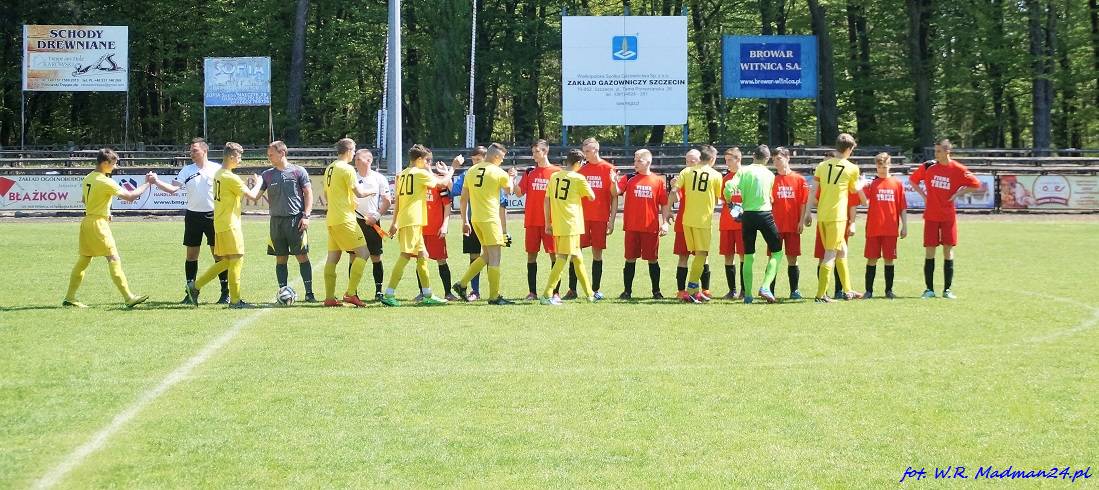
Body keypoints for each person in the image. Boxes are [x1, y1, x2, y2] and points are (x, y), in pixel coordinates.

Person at [64, 148, 151, 308]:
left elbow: (85, 200)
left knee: (84, 259)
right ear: (105, 163)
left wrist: (105, 211)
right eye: (113, 164)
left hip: (87, 221)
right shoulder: (105, 181)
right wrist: (147, 183)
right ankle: (128, 297)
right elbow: (130, 197)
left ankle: (70, 297)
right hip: (98, 225)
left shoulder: (88, 177)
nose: (115, 167)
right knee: (113, 258)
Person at [148, 138, 229, 304]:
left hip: (213, 216)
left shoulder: (217, 169)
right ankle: (191, 293)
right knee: (191, 255)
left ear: (205, 151)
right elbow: (173, 189)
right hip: (193, 217)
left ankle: (225, 293)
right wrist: (156, 181)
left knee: (218, 255)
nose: (191, 153)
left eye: (195, 150)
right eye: (191, 150)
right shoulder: (187, 170)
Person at [185, 142, 263, 308]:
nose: (240, 160)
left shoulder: (219, 174)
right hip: (230, 225)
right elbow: (253, 196)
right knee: (236, 259)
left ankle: (195, 286)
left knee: (226, 261)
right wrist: (259, 182)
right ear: (232, 157)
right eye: (239, 157)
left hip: (220, 223)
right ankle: (235, 301)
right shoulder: (230, 177)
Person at [380, 144, 454, 306]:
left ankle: (427, 294)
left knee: (422, 256)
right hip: (412, 220)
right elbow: (442, 183)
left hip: (410, 220)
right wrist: (452, 168)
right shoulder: (419, 173)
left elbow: (398, 200)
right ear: (419, 159)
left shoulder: (402, 174)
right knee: (405, 255)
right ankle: (389, 294)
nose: (428, 163)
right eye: (427, 160)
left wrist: (395, 222)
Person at [909, 139, 981, 299]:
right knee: (930, 251)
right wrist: (924, 196)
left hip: (948, 216)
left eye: (939, 151)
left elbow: (976, 184)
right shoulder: (928, 166)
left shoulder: (958, 169)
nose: (936, 154)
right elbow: (913, 180)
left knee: (948, 250)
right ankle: (929, 289)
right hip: (931, 216)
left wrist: (958, 193)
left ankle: (947, 290)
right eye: (935, 151)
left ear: (948, 151)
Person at [802, 133, 863, 303]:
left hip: (822, 215)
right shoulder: (852, 168)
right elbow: (854, 190)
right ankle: (821, 295)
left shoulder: (822, 165)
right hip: (837, 216)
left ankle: (848, 290)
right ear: (849, 149)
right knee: (830, 254)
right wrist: (862, 185)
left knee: (842, 251)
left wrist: (808, 212)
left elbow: (813, 190)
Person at [453, 143, 516, 305]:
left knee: (486, 255)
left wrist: (464, 220)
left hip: (476, 219)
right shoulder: (498, 172)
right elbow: (509, 190)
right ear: (496, 156)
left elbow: (463, 198)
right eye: (502, 158)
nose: (502, 161)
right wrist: (511, 177)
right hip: (490, 219)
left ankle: (462, 284)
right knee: (495, 257)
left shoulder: (471, 171)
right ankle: (494, 296)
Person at [321, 138, 378, 307]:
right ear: (348, 151)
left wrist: (347, 201)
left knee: (333, 258)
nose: (354, 154)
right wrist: (372, 190)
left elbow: (327, 195)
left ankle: (329, 297)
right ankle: (351, 293)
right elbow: (359, 193)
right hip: (345, 219)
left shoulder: (330, 168)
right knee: (364, 253)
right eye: (354, 151)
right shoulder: (347, 169)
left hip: (332, 219)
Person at [257, 141, 315, 302]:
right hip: (276, 222)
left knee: (302, 256)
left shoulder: (298, 171)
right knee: (280, 257)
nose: (269, 157)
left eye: (271, 154)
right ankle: (283, 292)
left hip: (296, 220)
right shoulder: (267, 174)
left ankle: (309, 293)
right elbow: (256, 196)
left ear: (282, 153)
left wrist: (306, 216)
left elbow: (308, 193)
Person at [726, 144, 785, 304]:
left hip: (748, 216)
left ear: (753, 156)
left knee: (748, 256)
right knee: (777, 252)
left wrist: (730, 202)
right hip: (765, 214)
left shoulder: (743, 171)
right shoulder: (770, 174)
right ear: (767, 159)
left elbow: (729, 186)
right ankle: (765, 286)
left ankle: (748, 295)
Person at [564, 137, 618, 300]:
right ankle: (572, 289)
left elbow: (614, 196)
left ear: (596, 150)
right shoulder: (581, 170)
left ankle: (595, 290)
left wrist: (611, 220)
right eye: (584, 151)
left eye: (587, 151)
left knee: (597, 253)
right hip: (580, 219)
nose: (585, 154)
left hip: (600, 218)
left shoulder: (608, 168)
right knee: (575, 252)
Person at [540, 150, 597, 305]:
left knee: (578, 259)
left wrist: (548, 222)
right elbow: (592, 197)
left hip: (560, 223)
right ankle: (546, 295)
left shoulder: (554, 176)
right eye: (582, 163)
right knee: (563, 258)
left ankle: (590, 294)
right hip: (571, 224)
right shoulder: (578, 178)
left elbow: (546, 200)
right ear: (578, 163)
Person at [672, 146, 723, 304]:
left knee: (695, 255)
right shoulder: (716, 175)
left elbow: (674, 191)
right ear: (712, 159)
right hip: (703, 220)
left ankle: (694, 291)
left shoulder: (686, 172)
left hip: (686, 220)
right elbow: (719, 198)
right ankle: (692, 289)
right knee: (702, 254)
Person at [618, 148, 670, 299]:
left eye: (639, 160)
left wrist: (665, 222)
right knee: (630, 259)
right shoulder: (628, 178)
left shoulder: (658, 181)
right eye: (634, 160)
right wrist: (614, 182)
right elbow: (615, 192)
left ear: (648, 162)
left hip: (650, 227)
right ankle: (627, 291)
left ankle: (656, 291)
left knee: (653, 259)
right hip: (632, 226)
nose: (635, 163)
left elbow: (664, 204)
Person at [513, 139, 562, 300]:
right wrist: (512, 179)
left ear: (545, 151)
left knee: (555, 256)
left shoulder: (557, 172)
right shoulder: (529, 172)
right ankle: (532, 292)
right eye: (533, 152)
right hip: (532, 221)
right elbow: (519, 193)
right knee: (531, 256)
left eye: (537, 151)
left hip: (551, 222)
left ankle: (555, 292)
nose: (534, 155)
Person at [861, 152, 908, 298]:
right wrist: (859, 188)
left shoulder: (897, 184)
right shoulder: (871, 184)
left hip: (890, 229)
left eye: (885, 166)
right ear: (876, 166)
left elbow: (902, 207)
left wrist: (905, 225)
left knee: (889, 259)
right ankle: (869, 291)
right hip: (873, 228)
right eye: (880, 166)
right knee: (871, 259)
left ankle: (889, 290)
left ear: (890, 165)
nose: (882, 169)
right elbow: (864, 202)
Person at [350, 148, 392, 300]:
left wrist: (376, 216)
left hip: (373, 222)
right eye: (355, 159)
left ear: (369, 160)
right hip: (355, 221)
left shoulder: (379, 178)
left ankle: (378, 291)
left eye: (358, 159)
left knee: (376, 256)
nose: (355, 161)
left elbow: (387, 200)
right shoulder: (351, 177)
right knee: (354, 256)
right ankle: (352, 292)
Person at [769, 147, 809, 299]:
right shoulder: (771, 180)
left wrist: (801, 221)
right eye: (773, 159)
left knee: (793, 259)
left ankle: (794, 291)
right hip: (775, 226)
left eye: (779, 158)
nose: (776, 162)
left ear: (788, 158)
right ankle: (769, 290)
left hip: (793, 225)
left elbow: (803, 202)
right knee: (773, 258)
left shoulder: (799, 179)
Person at [718, 147, 745, 299]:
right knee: (728, 256)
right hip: (727, 223)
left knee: (743, 256)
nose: (727, 163)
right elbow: (723, 200)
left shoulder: (747, 176)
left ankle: (744, 290)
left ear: (738, 159)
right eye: (726, 160)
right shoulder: (726, 179)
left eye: (729, 160)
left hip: (743, 224)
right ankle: (732, 290)